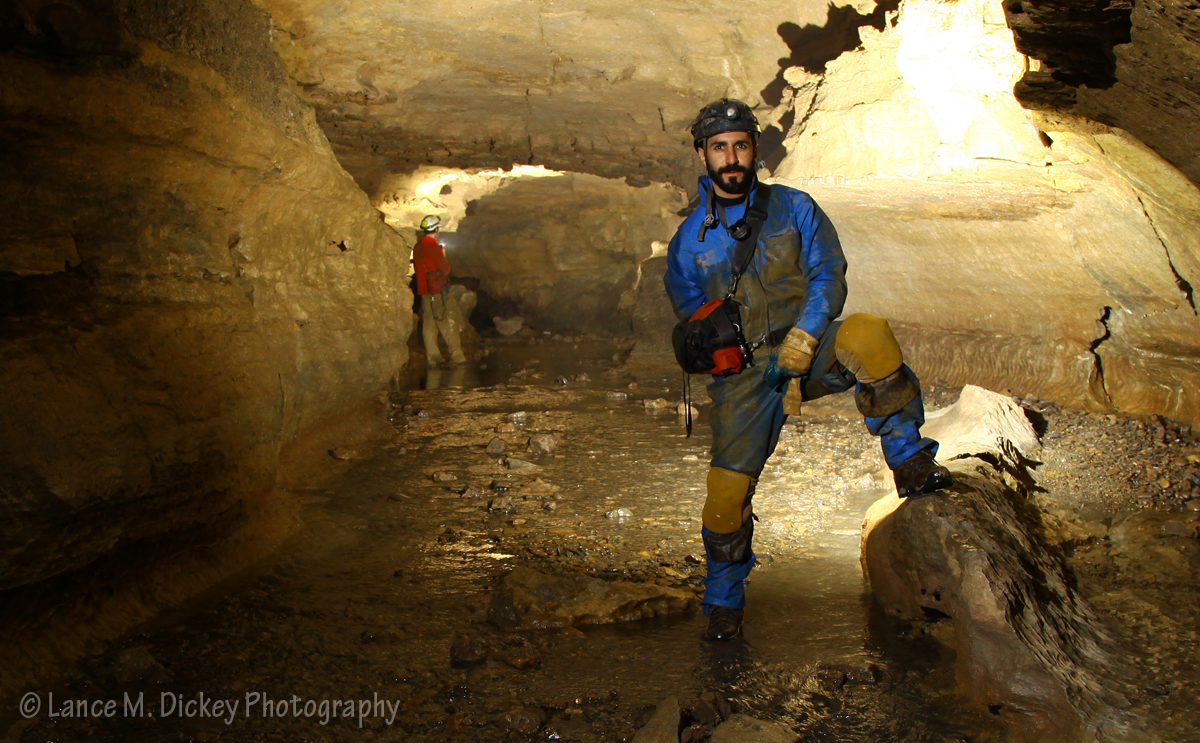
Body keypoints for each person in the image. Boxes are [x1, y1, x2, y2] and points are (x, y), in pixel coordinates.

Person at [663, 99, 952, 641]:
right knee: (725, 496)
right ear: (703, 154)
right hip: (746, 374)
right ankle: (724, 599)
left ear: (754, 151)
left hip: (808, 347)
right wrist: (712, 350)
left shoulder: (793, 207)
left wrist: (807, 333)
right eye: (719, 147)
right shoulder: (688, 244)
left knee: (867, 332)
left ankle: (909, 459)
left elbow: (828, 272)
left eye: (741, 145)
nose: (732, 157)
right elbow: (687, 312)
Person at [413, 215, 467, 366]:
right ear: (436, 229)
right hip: (438, 291)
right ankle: (457, 356)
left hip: (424, 291)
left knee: (429, 323)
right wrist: (443, 256)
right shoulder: (433, 246)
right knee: (448, 318)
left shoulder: (418, 247)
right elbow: (445, 268)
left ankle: (433, 358)